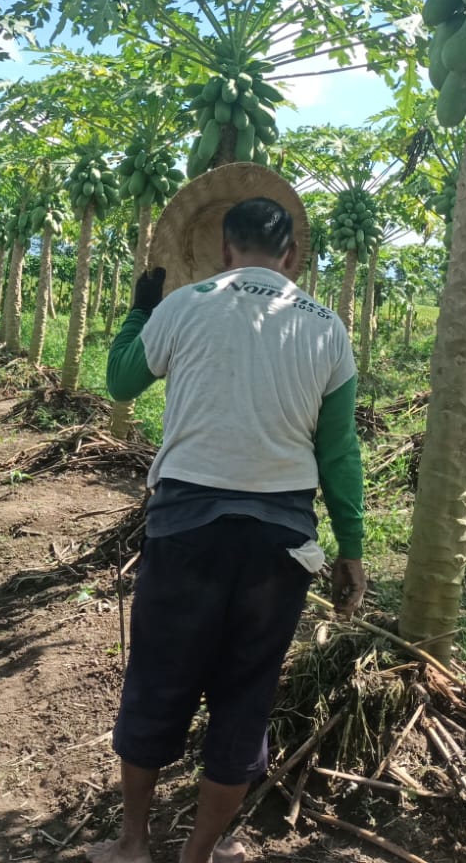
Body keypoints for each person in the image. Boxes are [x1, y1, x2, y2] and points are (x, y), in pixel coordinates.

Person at [90, 196, 367, 863]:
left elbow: (120, 380)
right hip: (279, 542)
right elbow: (339, 454)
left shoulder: (186, 306)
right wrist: (351, 550)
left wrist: (142, 308)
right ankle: (198, 856)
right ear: (292, 256)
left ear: (223, 249)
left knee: (159, 680)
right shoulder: (327, 327)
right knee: (246, 697)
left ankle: (132, 844)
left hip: (186, 530)